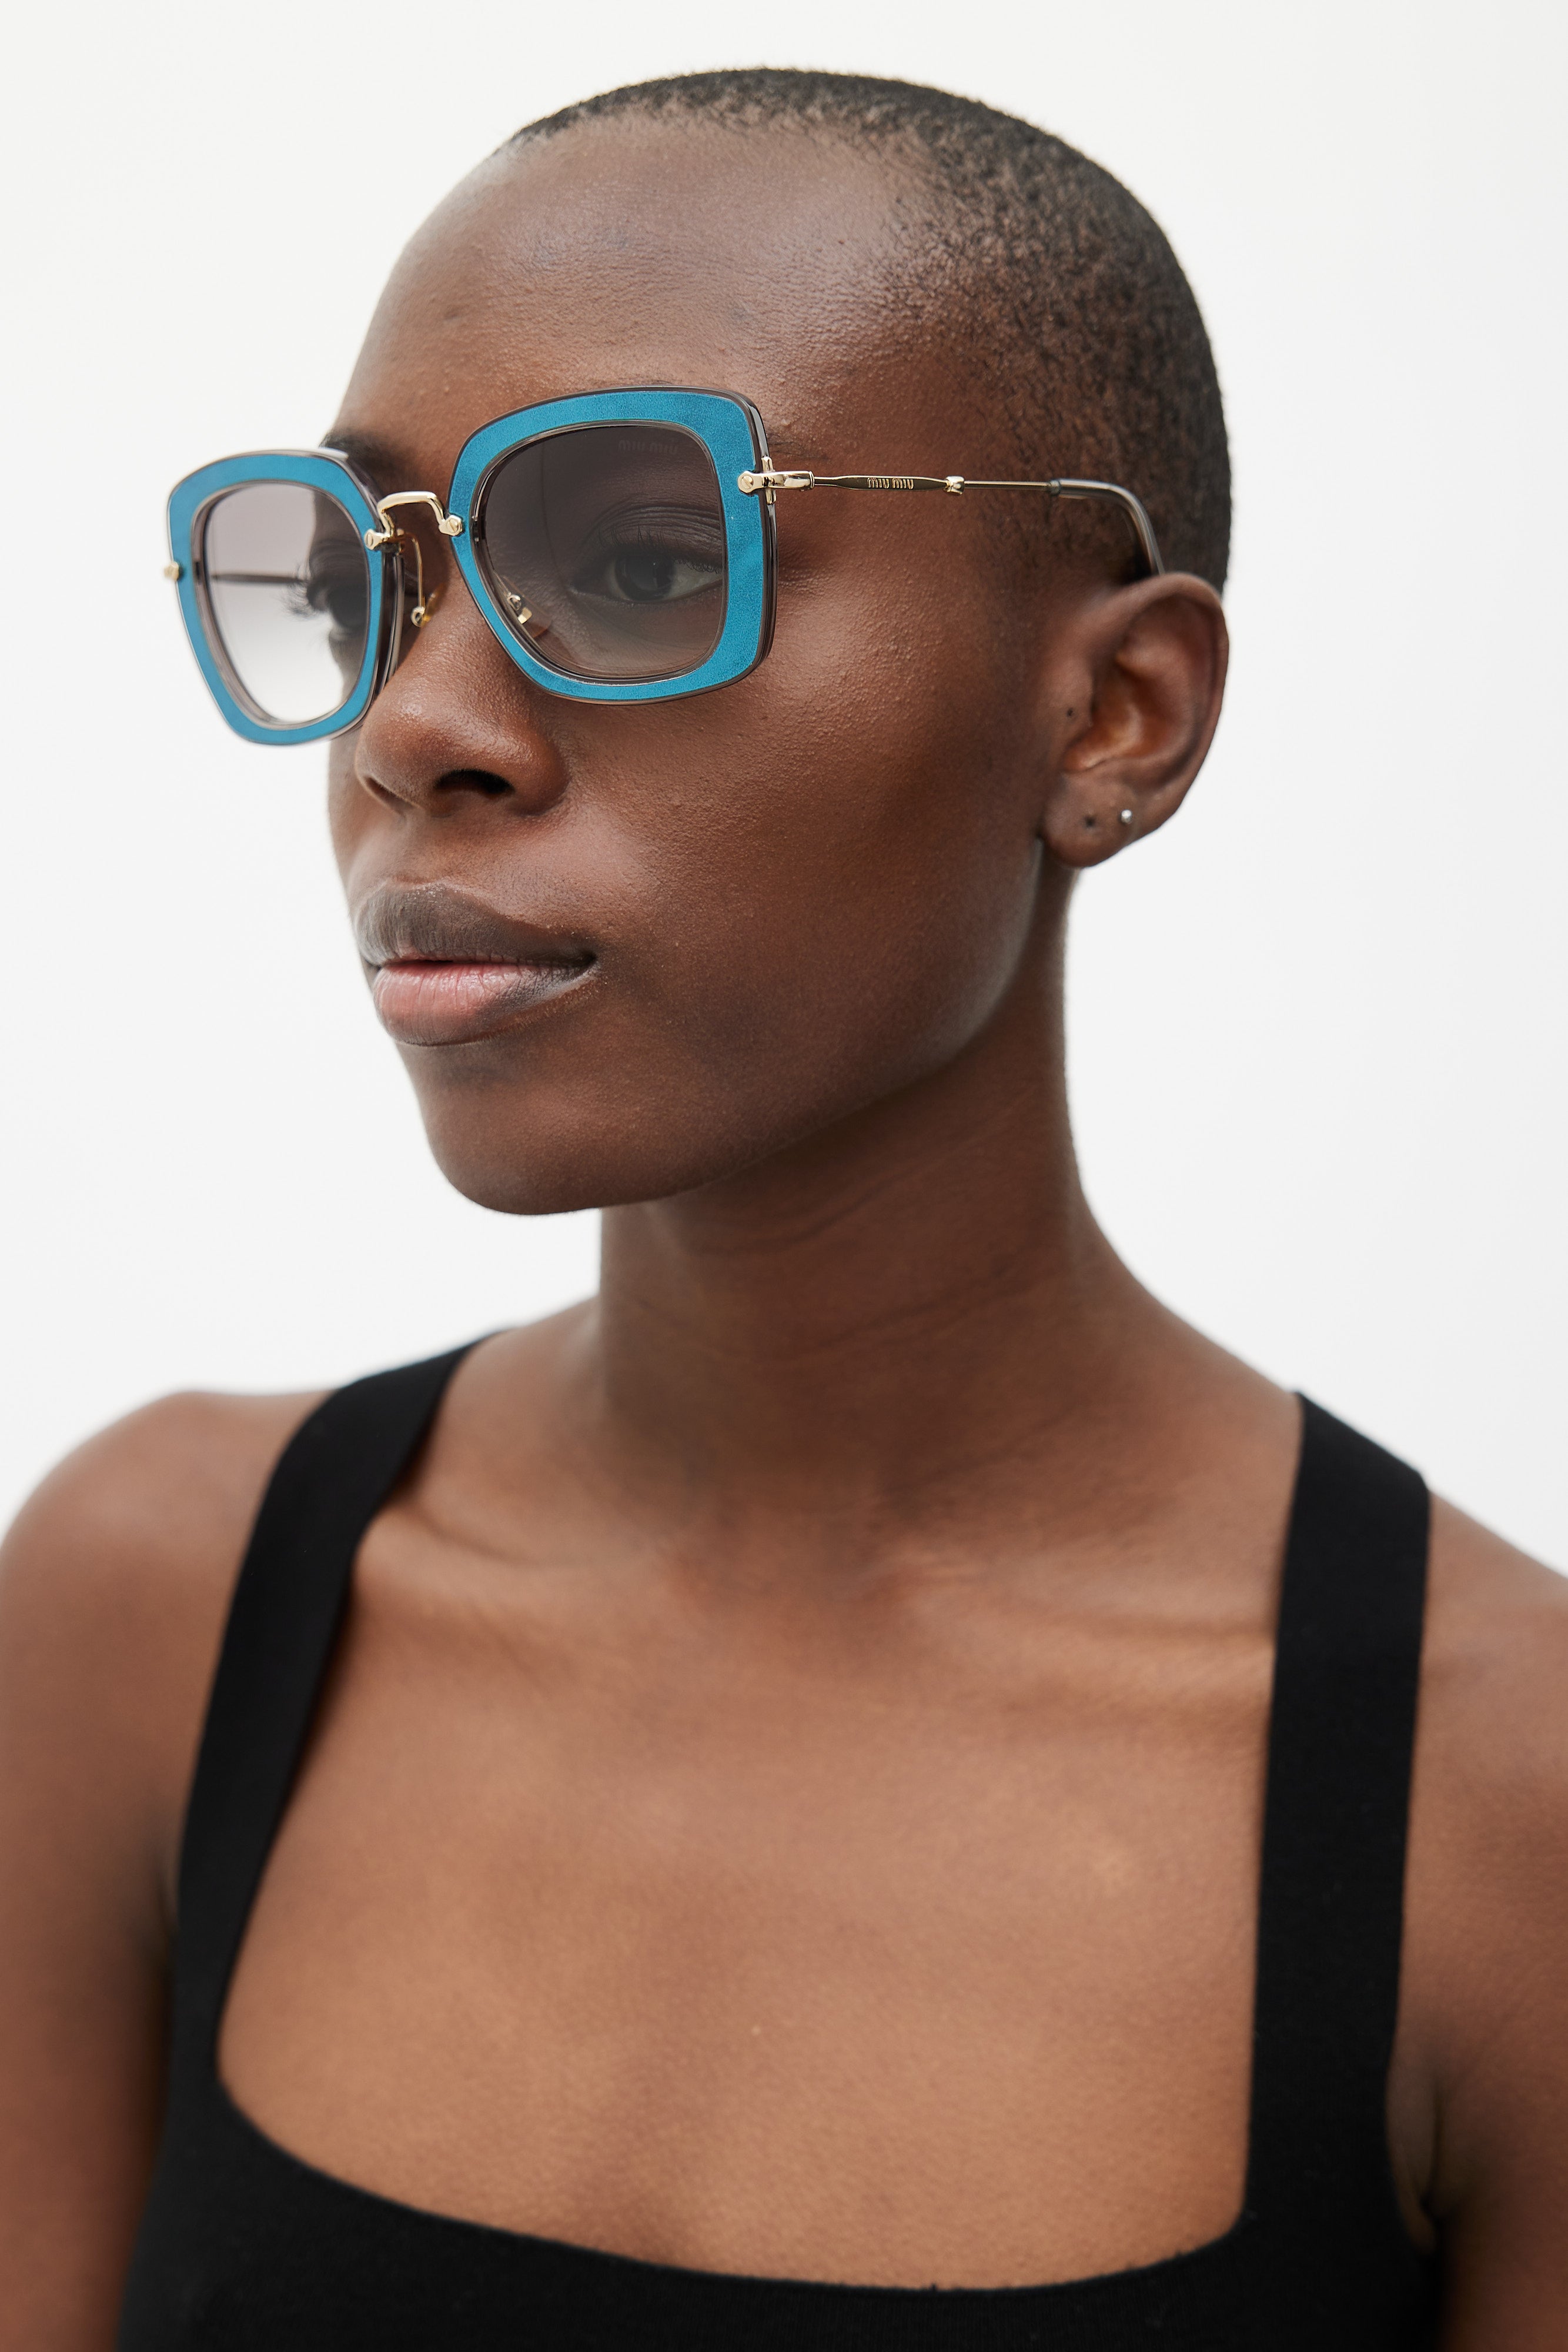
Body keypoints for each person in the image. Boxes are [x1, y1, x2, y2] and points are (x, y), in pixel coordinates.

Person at [1, 66, 1564, 2352]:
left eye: (641, 563)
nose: (412, 727)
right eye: (364, 579)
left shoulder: (1501, 1815)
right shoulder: (154, 1611)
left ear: (1115, 712)